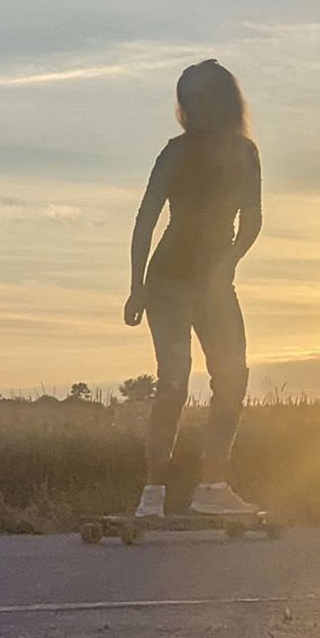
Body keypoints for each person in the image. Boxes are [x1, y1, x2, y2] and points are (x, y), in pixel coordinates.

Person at [123, 59, 261, 520]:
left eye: (203, 98)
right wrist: (136, 285)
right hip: (168, 282)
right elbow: (146, 217)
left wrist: (228, 263)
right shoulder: (175, 152)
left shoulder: (245, 153)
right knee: (175, 381)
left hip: (215, 286)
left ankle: (213, 486)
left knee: (233, 377)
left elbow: (252, 222)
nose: (194, 107)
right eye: (188, 99)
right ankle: (153, 492)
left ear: (224, 101)